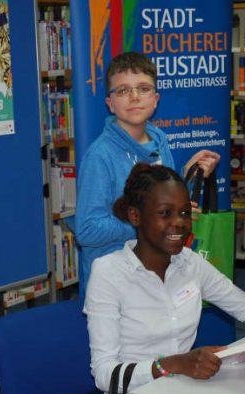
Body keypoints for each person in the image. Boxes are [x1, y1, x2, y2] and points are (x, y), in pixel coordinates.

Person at [84, 162, 245, 394]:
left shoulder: (190, 264)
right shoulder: (109, 273)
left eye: (184, 213)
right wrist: (171, 365)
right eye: (165, 213)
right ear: (136, 217)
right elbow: (104, 374)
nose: (179, 223)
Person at [75, 51, 220, 295]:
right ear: (110, 103)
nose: (134, 97)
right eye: (122, 90)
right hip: (117, 285)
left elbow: (159, 200)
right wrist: (149, 221)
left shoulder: (159, 141)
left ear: (155, 99)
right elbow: (87, 230)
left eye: (143, 88)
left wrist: (186, 176)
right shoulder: (100, 156)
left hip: (157, 273)